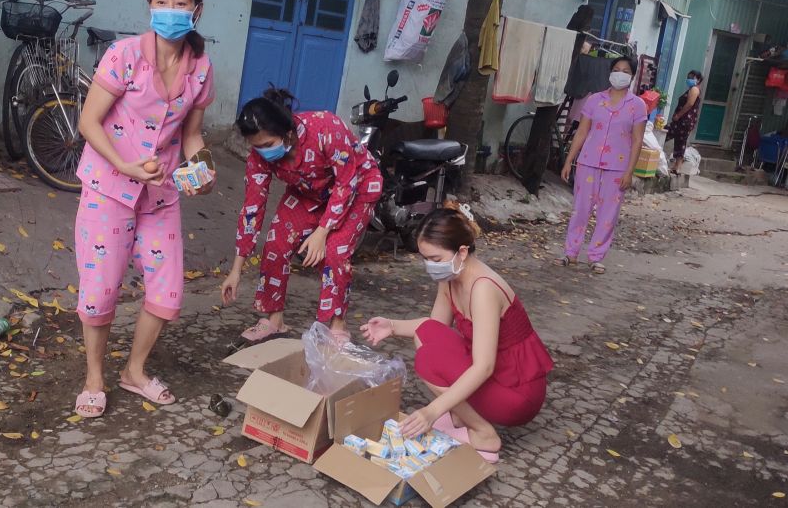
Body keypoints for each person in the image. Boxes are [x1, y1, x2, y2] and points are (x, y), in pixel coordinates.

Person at [72, 0, 215, 419]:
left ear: (197, 11)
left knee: (168, 292)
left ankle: (134, 371)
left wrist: (203, 167)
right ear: (150, 6)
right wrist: (123, 164)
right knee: (100, 291)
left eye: (180, 3)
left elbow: (192, 135)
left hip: (161, 194)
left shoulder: (201, 68)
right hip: (108, 187)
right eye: (161, 2)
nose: (170, 11)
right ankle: (94, 378)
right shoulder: (125, 55)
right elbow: (88, 121)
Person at [361, 204, 554, 462]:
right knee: (427, 337)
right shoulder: (451, 277)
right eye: (425, 259)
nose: (430, 266)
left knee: (428, 359)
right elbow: (434, 329)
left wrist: (432, 411)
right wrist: (392, 326)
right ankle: (460, 416)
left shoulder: (483, 289)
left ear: (462, 252)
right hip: (495, 374)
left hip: (517, 392)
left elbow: (484, 367)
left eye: (435, 259)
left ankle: (483, 433)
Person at [221, 89, 383, 341]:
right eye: (257, 147)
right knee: (276, 243)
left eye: (267, 145)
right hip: (309, 192)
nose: (263, 152)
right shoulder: (259, 157)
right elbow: (252, 207)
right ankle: (274, 320)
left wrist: (321, 232)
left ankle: (337, 326)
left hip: (357, 187)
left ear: (287, 133)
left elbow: (346, 183)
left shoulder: (326, 128)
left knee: (335, 252)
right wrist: (236, 269)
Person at [559, 55, 647, 273]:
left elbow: (637, 140)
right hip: (588, 162)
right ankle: (571, 253)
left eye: (625, 71)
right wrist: (569, 160)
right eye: (616, 69)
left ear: (632, 76)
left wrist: (629, 172)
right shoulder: (594, 100)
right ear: (610, 72)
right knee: (580, 209)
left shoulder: (637, 106)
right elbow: (582, 132)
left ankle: (596, 256)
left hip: (617, 168)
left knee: (608, 214)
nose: (620, 74)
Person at [665, 70, 703, 173]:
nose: (689, 79)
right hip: (684, 121)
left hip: (684, 121)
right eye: (688, 77)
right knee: (680, 141)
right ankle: (677, 167)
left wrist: (678, 115)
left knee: (665, 133)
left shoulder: (694, 89)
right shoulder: (692, 89)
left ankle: (677, 166)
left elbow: (690, 104)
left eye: (692, 77)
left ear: (698, 79)